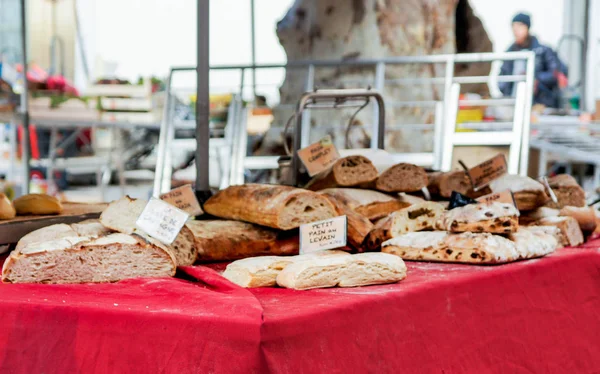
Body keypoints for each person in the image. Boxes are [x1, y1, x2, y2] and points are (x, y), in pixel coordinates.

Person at [499, 13, 568, 108]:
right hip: (514, 103)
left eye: (520, 26)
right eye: (513, 27)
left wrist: (534, 79)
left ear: (527, 27)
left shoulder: (543, 51)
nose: (516, 31)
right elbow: (502, 78)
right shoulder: (509, 54)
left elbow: (556, 74)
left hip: (540, 104)